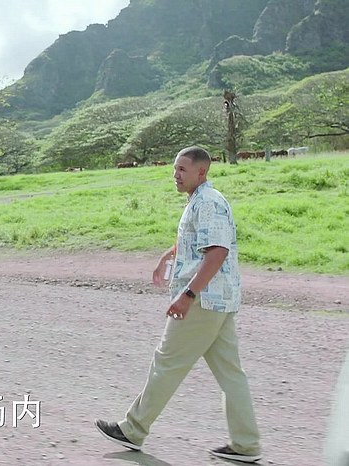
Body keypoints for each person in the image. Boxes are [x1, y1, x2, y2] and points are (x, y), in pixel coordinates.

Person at [95, 146, 261, 463]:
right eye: (175, 169)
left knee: (166, 363)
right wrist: (167, 256)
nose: (176, 175)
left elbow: (217, 252)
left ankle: (133, 429)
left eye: (182, 169)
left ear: (202, 171)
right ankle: (246, 444)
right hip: (218, 301)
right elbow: (196, 242)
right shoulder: (199, 201)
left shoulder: (208, 202)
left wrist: (188, 295)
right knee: (231, 375)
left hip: (203, 300)